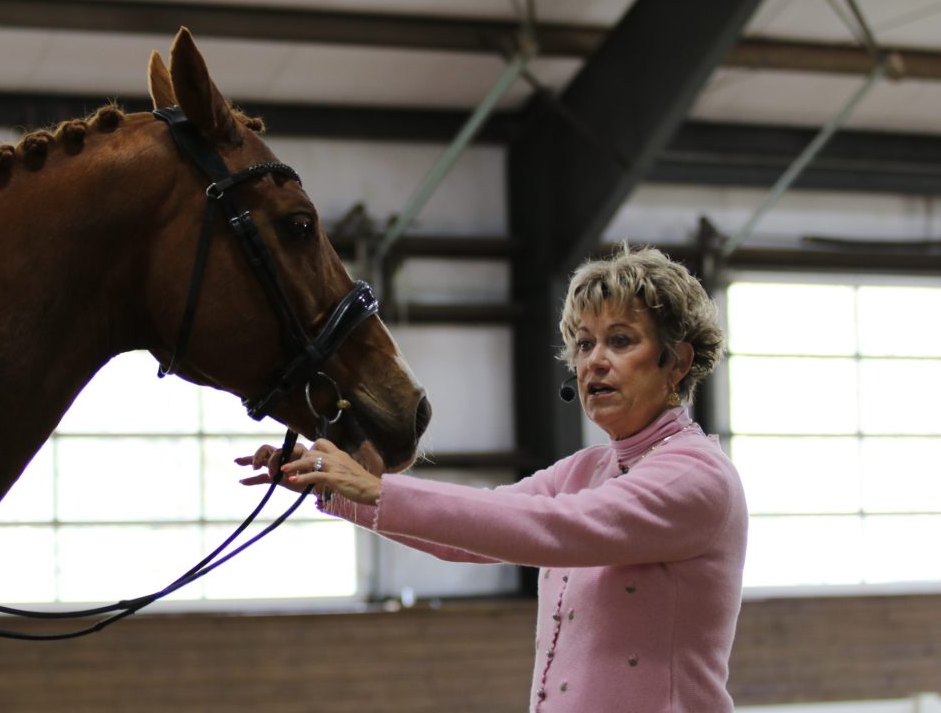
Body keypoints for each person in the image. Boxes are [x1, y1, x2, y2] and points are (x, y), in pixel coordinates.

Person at [238, 244, 747, 712]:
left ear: (677, 361)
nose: (594, 361)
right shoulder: (586, 469)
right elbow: (477, 535)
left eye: (620, 341)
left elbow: (555, 527)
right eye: (584, 344)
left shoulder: (697, 475)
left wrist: (378, 488)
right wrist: (330, 486)